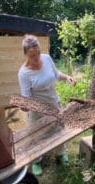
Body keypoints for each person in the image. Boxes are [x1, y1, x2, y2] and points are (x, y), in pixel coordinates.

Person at [18, 34, 76, 176]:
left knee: (58, 128)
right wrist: (25, 106)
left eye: (38, 53)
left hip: (53, 102)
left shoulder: (47, 58)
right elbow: (26, 97)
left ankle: (61, 154)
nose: (37, 58)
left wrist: (66, 77)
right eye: (32, 55)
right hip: (36, 108)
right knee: (37, 134)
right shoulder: (24, 73)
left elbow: (56, 74)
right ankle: (37, 160)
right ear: (25, 54)